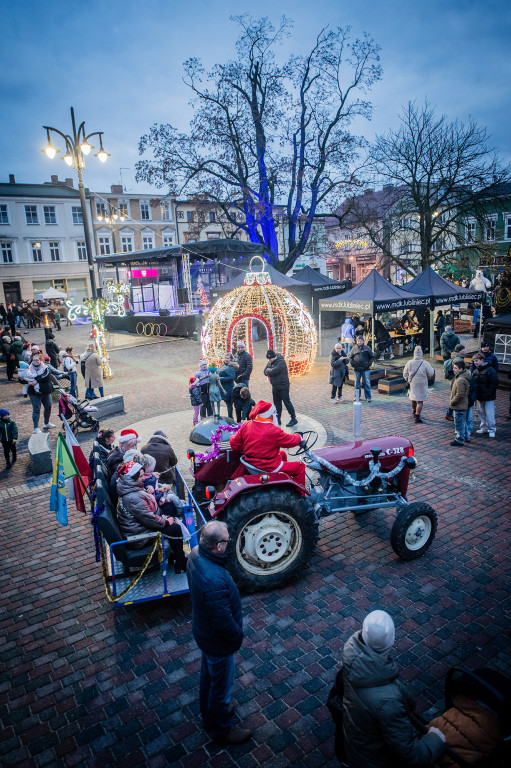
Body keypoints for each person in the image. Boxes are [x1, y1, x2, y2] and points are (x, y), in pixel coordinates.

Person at [341, 610, 446, 768]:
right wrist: (435, 740)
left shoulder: (351, 658)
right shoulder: (388, 703)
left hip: (356, 747)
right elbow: (412, 756)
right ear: (391, 642)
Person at [187, 520, 251, 745]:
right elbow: (223, 619)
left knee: (208, 677)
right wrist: (237, 636)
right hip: (218, 641)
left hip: (204, 634)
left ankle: (210, 714)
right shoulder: (214, 579)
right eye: (227, 540)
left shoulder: (196, 553)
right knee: (220, 686)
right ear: (218, 546)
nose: (229, 543)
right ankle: (221, 729)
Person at [116, 461, 187, 574]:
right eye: (140, 476)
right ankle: (181, 561)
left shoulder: (131, 489)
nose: (143, 478)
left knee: (171, 521)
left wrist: (162, 517)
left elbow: (147, 515)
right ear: (132, 478)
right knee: (174, 528)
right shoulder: (132, 497)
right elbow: (150, 519)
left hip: (140, 529)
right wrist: (166, 522)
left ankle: (176, 556)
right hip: (140, 538)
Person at [229, 400, 305, 486]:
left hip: (251, 463)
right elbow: (291, 441)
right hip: (267, 465)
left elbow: (233, 443)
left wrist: (248, 448)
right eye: (274, 413)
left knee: (282, 454)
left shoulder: (247, 425)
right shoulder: (273, 430)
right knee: (300, 467)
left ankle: (282, 480)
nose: (276, 415)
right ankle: (300, 494)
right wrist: (299, 436)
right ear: (270, 415)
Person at [263, 349, 298, 427]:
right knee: (277, 404)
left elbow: (273, 371)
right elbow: (265, 372)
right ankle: (278, 419)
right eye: (268, 359)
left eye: (270, 359)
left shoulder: (281, 362)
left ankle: (293, 418)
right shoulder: (270, 361)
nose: (269, 360)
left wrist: (269, 370)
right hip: (275, 386)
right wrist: (269, 370)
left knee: (287, 402)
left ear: (274, 356)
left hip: (283, 386)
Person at [403, 347, 434, 424]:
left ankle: (414, 411)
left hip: (413, 383)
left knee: (413, 398)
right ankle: (417, 415)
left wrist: (408, 379)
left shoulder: (409, 362)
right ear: (421, 354)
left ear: (414, 354)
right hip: (422, 384)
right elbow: (431, 373)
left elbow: (405, 374)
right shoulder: (425, 363)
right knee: (420, 401)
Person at [25, 354, 56, 433]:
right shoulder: (28, 368)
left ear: (40, 360)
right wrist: (28, 381)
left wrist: (36, 380)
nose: (36, 361)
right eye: (34, 360)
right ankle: (36, 428)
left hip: (46, 391)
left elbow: (46, 376)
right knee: (36, 410)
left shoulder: (46, 368)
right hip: (34, 393)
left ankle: (46, 423)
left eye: (37, 360)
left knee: (48, 406)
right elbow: (22, 378)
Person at [471, 352, 498, 439]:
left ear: (482, 360)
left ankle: (492, 429)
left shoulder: (490, 370)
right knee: (481, 413)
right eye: (474, 361)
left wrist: (489, 393)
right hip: (479, 397)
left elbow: (494, 384)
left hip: (488, 397)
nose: (475, 362)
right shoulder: (475, 371)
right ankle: (484, 428)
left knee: (489, 415)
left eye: (477, 361)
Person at [449, 360, 471, 447]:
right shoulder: (460, 378)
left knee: (459, 423)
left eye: (455, 368)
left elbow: (460, 394)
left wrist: (452, 401)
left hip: (459, 405)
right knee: (463, 422)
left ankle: (459, 439)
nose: (453, 369)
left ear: (461, 369)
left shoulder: (461, 380)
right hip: (461, 405)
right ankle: (466, 437)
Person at [349, 336, 375, 403]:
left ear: (363, 341)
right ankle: (357, 396)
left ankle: (368, 397)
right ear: (356, 342)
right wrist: (353, 364)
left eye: (360, 341)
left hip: (366, 369)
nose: (359, 342)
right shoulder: (354, 349)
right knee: (357, 383)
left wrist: (368, 364)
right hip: (357, 369)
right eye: (358, 341)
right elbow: (350, 357)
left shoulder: (367, 348)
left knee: (367, 383)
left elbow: (372, 357)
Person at [218, 353, 237, 420]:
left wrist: (220, 379)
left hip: (228, 388)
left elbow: (231, 378)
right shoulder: (223, 365)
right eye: (225, 358)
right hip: (221, 388)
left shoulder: (231, 367)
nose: (226, 359)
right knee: (219, 402)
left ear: (231, 359)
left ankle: (230, 418)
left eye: (228, 358)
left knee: (229, 404)